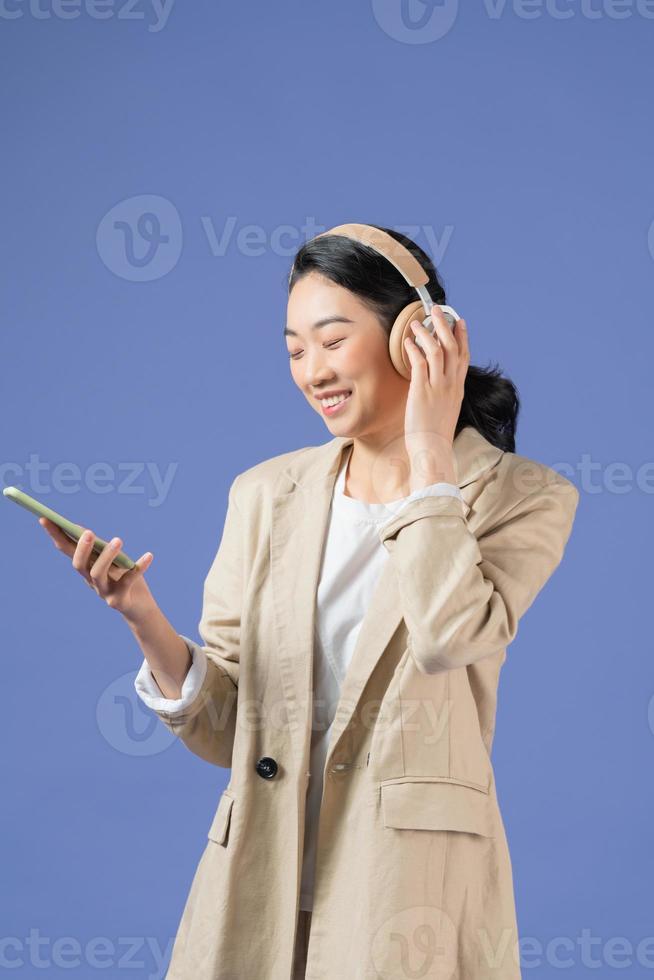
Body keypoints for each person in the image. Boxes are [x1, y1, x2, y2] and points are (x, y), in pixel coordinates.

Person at [39, 224, 580, 979]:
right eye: (294, 349)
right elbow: (226, 730)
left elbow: (446, 635)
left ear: (414, 339)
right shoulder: (265, 494)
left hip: (407, 891)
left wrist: (430, 453)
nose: (311, 371)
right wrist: (141, 615)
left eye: (331, 340)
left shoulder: (522, 497)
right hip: (257, 881)